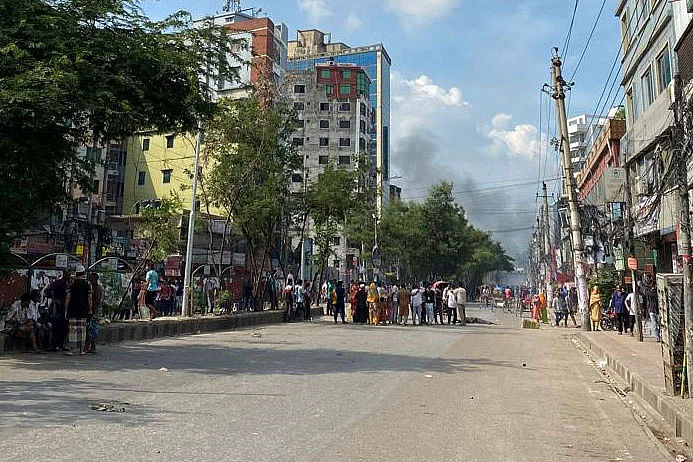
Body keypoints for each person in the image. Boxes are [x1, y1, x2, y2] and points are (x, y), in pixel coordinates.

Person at [65, 266, 92, 356]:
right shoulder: (87, 284)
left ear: (76, 273)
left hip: (72, 309)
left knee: (72, 330)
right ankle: (81, 350)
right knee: (82, 330)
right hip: (83, 310)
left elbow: (68, 298)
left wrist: (66, 309)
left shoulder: (71, 284)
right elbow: (89, 298)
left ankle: (72, 350)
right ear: (84, 273)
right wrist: (90, 309)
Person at [44, 272, 69, 350]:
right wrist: (55, 299)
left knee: (64, 327)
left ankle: (61, 344)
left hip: (66, 308)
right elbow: (48, 291)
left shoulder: (69, 284)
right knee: (56, 326)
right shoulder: (58, 283)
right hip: (58, 307)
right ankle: (54, 344)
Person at [84, 273, 103, 354]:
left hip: (95, 310)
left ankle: (89, 345)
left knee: (92, 329)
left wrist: (93, 310)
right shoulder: (89, 287)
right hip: (89, 310)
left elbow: (97, 300)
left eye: (92, 278)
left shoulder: (98, 288)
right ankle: (91, 346)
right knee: (89, 328)